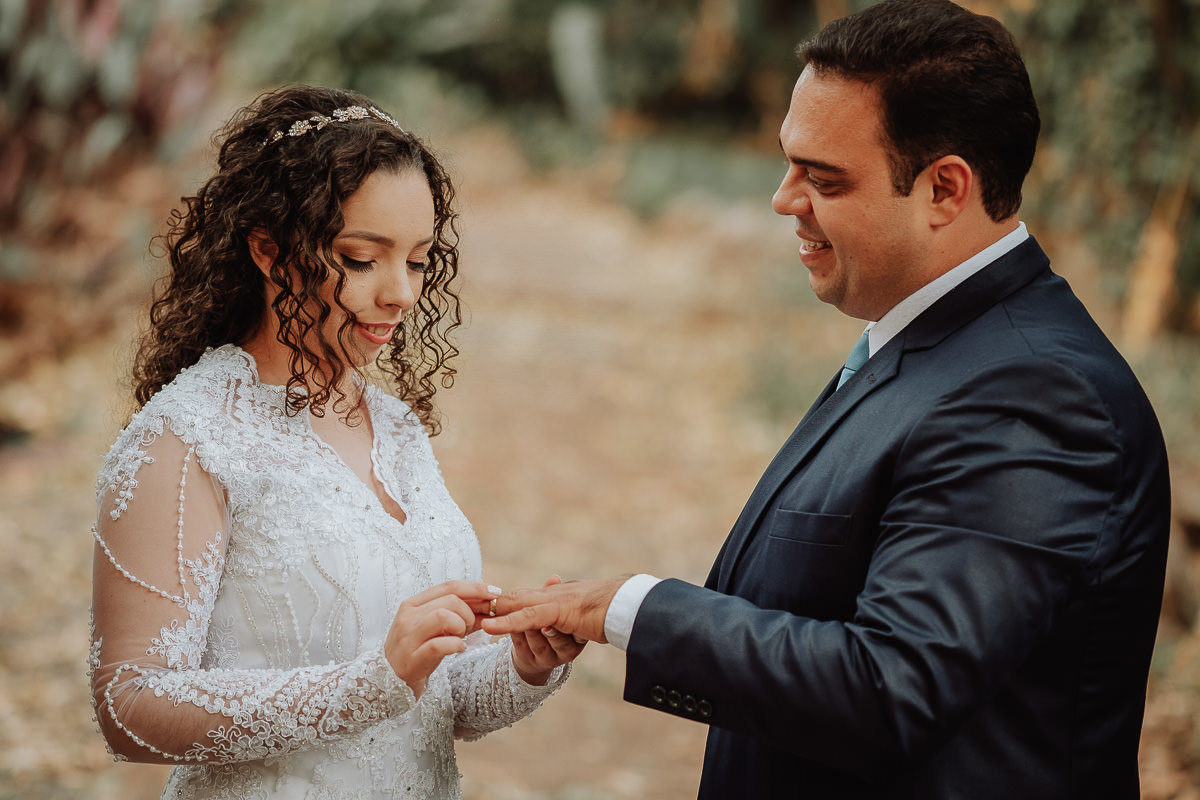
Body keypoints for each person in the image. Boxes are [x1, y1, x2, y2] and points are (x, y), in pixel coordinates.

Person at [483, 1, 1171, 797]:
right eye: (788, 164)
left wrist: (629, 609)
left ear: (946, 188)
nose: (783, 199)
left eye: (824, 177)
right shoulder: (938, 343)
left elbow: (889, 686)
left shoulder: (1034, 397)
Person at [88, 85, 583, 800]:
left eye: (417, 261)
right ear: (267, 249)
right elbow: (128, 710)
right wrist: (371, 683)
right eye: (361, 257)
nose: (401, 294)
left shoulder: (395, 429)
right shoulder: (186, 437)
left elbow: (439, 702)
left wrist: (527, 664)